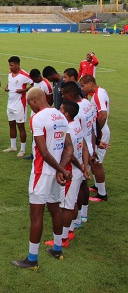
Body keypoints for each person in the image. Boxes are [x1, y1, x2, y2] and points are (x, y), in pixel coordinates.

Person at [11, 88, 72, 269]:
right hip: (56, 171)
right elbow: (68, 148)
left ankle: (32, 259)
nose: (31, 106)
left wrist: (59, 169)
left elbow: (43, 152)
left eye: (30, 103)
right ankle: (57, 248)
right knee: (55, 209)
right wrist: (61, 169)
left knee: (36, 215)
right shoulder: (61, 116)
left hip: (41, 172)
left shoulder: (37, 118)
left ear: (35, 99)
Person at [44, 100, 88, 249]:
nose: (59, 110)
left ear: (66, 113)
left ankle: (63, 239)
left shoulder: (68, 129)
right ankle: (70, 230)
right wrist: (84, 165)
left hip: (71, 171)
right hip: (76, 170)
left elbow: (71, 155)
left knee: (66, 206)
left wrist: (66, 169)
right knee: (72, 201)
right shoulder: (76, 125)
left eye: (61, 109)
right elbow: (84, 146)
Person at [61, 81, 96, 225]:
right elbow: (93, 127)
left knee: (75, 191)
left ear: (69, 94)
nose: (62, 97)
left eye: (63, 94)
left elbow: (74, 139)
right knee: (82, 185)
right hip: (86, 148)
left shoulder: (77, 114)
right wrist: (94, 147)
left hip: (78, 154)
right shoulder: (87, 104)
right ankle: (83, 214)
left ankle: (76, 219)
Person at [80, 75, 110, 202]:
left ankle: (102, 194)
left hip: (101, 132)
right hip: (100, 131)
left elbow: (102, 115)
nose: (82, 88)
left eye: (83, 86)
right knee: (94, 161)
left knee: (96, 163)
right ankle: (97, 186)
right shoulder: (99, 92)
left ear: (90, 84)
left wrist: (97, 134)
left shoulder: (98, 95)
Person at [2, 57, 33, 157]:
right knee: (11, 124)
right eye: (9, 65)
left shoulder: (24, 75)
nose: (10, 67)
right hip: (10, 104)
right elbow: (10, 83)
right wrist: (7, 87)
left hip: (20, 105)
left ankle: (23, 150)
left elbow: (33, 84)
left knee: (20, 126)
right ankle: (13, 146)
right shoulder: (10, 74)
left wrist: (24, 90)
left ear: (17, 65)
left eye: (12, 65)